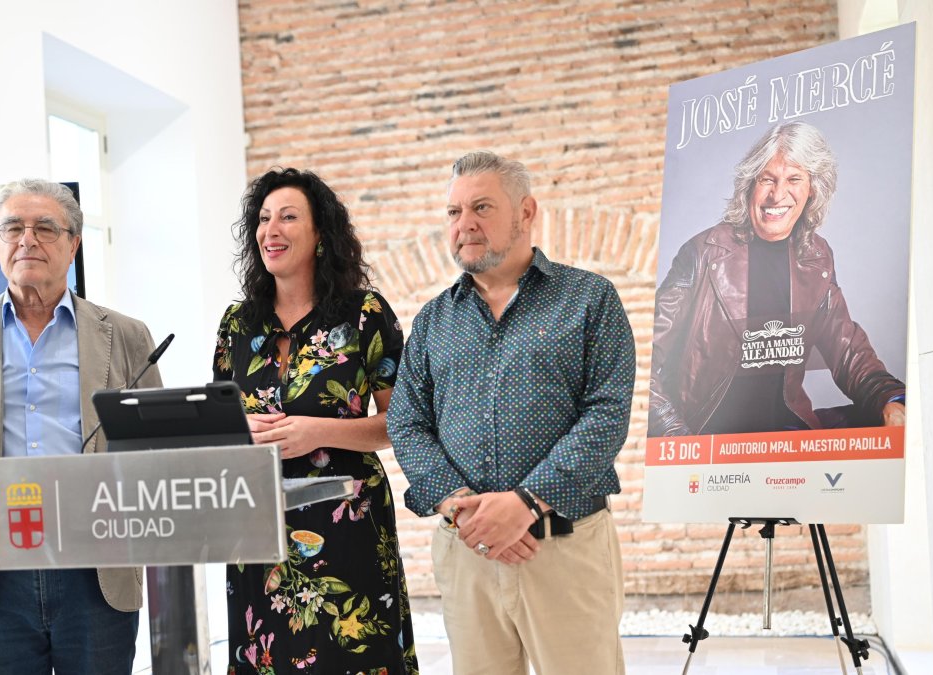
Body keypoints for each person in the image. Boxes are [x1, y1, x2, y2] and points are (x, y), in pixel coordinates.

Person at [388, 151, 635, 674]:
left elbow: (607, 414)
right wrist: (459, 505)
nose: (464, 224)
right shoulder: (433, 321)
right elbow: (407, 423)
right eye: (453, 212)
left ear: (526, 212)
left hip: (563, 550)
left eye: (481, 207)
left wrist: (527, 502)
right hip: (467, 551)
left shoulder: (589, 299)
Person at [0, 179, 161, 675]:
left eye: (45, 227)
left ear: (74, 243)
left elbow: (154, 442)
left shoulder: (128, 336)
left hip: (97, 571)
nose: (27, 239)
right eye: (12, 227)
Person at [212, 167, 418, 674]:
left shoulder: (365, 314)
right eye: (262, 220)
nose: (270, 230)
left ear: (321, 234)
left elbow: (403, 422)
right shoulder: (237, 324)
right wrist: (241, 432)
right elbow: (219, 424)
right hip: (256, 524)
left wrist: (318, 432)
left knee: (352, 654)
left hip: (346, 521)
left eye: (287, 217)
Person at [649, 121, 906, 437]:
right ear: (748, 187)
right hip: (710, 437)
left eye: (794, 179)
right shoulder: (704, 253)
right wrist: (677, 436)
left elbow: (848, 352)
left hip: (784, 436)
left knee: (890, 422)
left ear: (813, 188)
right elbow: (641, 357)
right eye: (766, 179)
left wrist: (888, 400)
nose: (778, 194)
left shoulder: (816, 257)